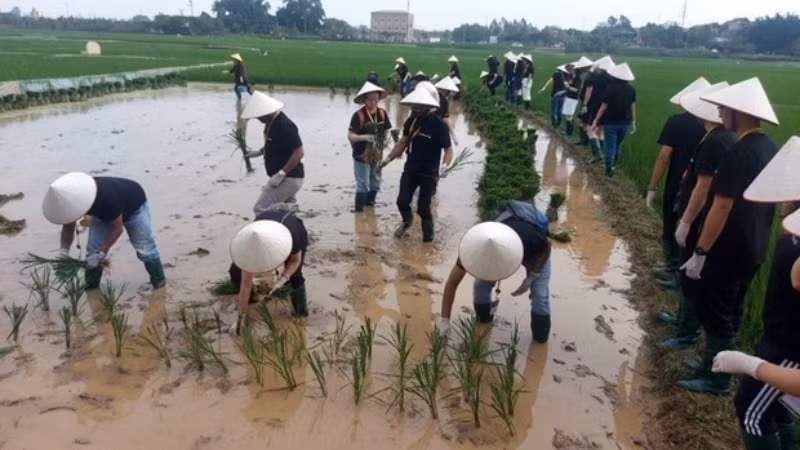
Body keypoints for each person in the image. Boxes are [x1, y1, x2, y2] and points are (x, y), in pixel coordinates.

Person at [678, 77, 780, 395]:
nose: (721, 113)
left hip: (729, 245)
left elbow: (721, 206)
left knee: (717, 310)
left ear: (740, 113)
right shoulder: (769, 148)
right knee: (733, 308)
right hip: (756, 243)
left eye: (725, 109)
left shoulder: (739, 153)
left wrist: (701, 251)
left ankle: (717, 379)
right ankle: (716, 363)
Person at [709, 137, 800, 449]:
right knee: (778, 408)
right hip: (780, 335)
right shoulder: (793, 227)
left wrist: (750, 365)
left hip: (790, 348)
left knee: (752, 411)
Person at [657, 82, 735, 351]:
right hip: (697, 213)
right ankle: (681, 323)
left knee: (691, 277)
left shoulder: (716, 141)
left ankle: (685, 334)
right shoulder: (718, 137)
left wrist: (687, 220)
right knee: (684, 269)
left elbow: (704, 186)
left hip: (699, 216)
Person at [436, 201, 553, 343]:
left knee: (540, 296)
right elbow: (452, 283)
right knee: (480, 286)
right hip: (505, 248)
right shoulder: (471, 250)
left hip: (535, 252)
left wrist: (532, 275)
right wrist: (444, 320)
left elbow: (547, 245)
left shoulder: (530, 238)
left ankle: (540, 340)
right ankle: (483, 322)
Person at [43, 172, 166, 290]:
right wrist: (63, 253)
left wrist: (101, 253)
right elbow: (68, 227)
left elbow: (118, 228)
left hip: (134, 206)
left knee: (145, 249)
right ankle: (91, 288)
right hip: (103, 212)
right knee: (92, 252)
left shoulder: (107, 200)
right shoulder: (71, 201)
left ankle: (159, 284)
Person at [646, 77, 711, 291]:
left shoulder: (676, 122)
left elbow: (664, 156)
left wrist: (652, 187)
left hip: (678, 183)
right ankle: (680, 269)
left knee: (671, 222)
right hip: (705, 188)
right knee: (691, 229)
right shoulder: (714, 129)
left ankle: (672, 266)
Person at [378, 86, 453, 242]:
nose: (416, 109)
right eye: (414, 106)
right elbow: (403, 142)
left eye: (419, 107)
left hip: (429, 173)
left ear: (428, 106)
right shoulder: (411, 122)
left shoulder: (438, 125)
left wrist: (444, 166)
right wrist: (387, 159)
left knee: (423, 208)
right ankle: (407, 222)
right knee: (402, 201)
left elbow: (448, 149)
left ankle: (428, 240)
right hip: (411, 170)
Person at [229, 207, 309, 331]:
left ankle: (300, 313)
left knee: (296, 276)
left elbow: (295, 261)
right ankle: (251, 301)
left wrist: (283, 279)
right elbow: (245, 286)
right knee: (235, 272)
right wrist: (240, 320)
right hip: (262, 226)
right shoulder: (248, 249)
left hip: (292, 227)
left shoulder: (292, 237)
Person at [240, 91, 305, 216]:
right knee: (287, 216)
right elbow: (275, 145)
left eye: (259, 116)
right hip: (285, 178)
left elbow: (299, 152)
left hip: (288, 178)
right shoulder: (271, 123)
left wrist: (281, 174)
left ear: (267, 112)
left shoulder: (284, 125)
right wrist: (258, 152)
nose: (258, 119)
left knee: (260, 209)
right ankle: (290, 230)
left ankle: (291, 207)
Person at [347, 82, 392, 213]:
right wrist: (364, 137)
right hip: (361, 154)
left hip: (377, 154)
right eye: (370, 99)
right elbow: (350, 136)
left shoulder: (382, 113)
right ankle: (359, 213)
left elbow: (386, 130)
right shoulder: (359, 116)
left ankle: (370, 207)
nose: (373, 102)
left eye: (376, 99)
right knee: (363, 185)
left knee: (376, 182)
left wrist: (384, 140)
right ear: (364, 100)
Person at [592, 63, 636, 177]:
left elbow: (603, 106)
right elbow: (632, 106)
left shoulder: (610, 88)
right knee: (617, 146)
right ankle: (613, 166)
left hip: (610, 122)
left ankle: (608, 169)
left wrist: (596, 120)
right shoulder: (631, 89)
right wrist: (633, 122)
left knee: (610, 146)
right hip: (625, 123)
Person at [581, 55, 614, 160]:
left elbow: (589, 88)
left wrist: (585, 104)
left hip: (596, 105)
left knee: (590, 130)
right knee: (600, 131)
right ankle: (601, 153)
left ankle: (597, 154)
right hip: (608, 107)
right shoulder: (613, 79)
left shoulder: (596, 77)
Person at [434, 76, 460, 146]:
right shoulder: (444, 101)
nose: (449, 93)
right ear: (446, 90)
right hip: (436, 128)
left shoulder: (432, 96)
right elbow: (446, 118)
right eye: (449, 91)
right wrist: (453, 135)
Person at [561, 64, 582, 136]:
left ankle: (569, 132)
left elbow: (576, 90)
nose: (569, 71)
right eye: (568, 70)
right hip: (568, 97)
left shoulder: (578, 78)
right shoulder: (571, 77)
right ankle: (567, 131)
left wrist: (568, 86)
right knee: (567, 115)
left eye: (570, 69)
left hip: (573, 98)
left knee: (569, 115)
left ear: (574, 69)